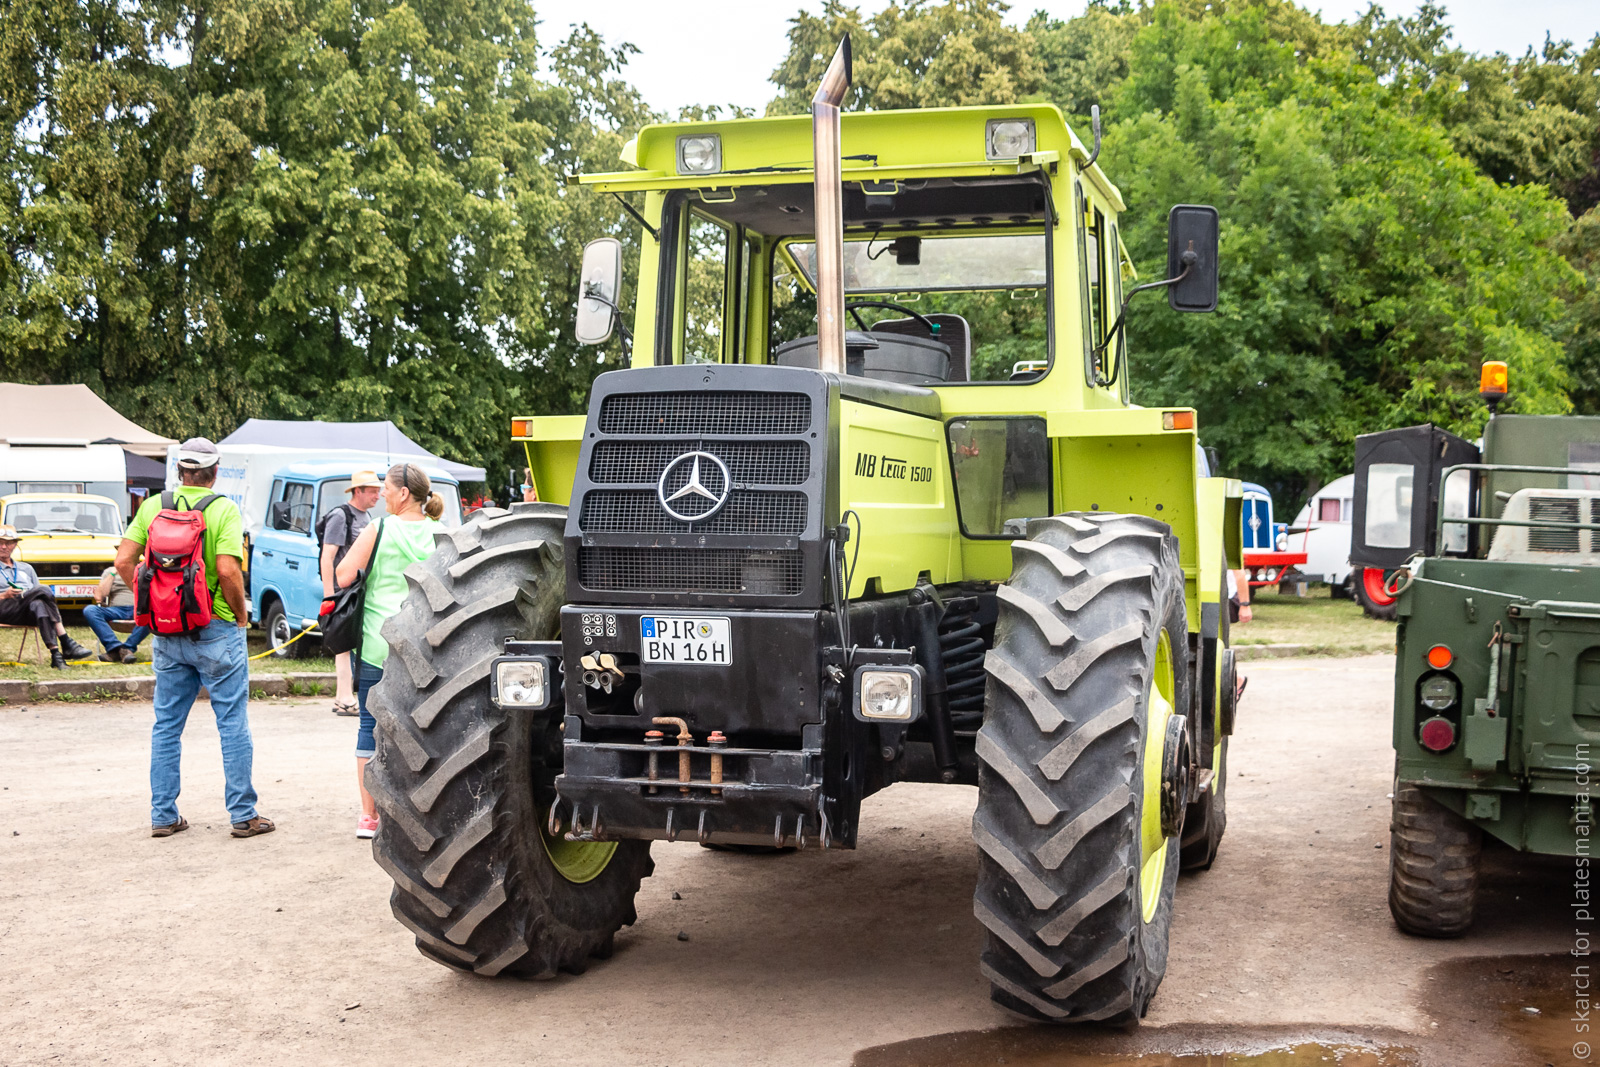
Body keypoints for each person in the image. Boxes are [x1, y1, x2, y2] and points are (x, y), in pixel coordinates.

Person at [116, 437, 274, 840]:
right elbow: (227, 571)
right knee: (232, 723)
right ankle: (243, 815)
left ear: (179, 472)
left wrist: (150, 603)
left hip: (167, 631)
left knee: (166, 725)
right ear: (215, 472)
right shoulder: (223, 509)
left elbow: (123, 561)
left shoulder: (153, 506)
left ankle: (163, 815)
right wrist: (240, 616)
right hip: (215, 628)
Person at [335, 463, 445, 839]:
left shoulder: (379, 528)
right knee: (422, 729)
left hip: (378, 644)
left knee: (370, 728)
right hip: (427, 648)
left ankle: (369, 817)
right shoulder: (442, 533)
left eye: (386, 488)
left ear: (402, 494)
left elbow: (343, 575)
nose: (381, 493)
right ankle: (419, 808)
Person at [319, 470, 381, 716]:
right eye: (373, 490)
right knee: (344, 644)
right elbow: (328, 557)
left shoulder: (367, 516)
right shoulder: (340, 516)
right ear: (358, 491)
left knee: (350, 643)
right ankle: (345, 698)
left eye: (379, 490)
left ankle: (342, 697)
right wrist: (328, 596)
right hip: (341, 592)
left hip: (357, 590)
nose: (378, 495)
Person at [0, 526, 96, 669]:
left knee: (39, 604)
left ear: (15, 545)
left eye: (8, 543)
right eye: (0, 542)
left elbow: (39, 595)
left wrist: (26, 594)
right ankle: (65, 641)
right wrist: (4, 594)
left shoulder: (26, 568)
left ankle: (56, 655)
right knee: (43, 589)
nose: (3, 547)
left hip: (25, 609)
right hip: (5, 608)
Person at [84, 565, 150, 663]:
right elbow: (99, 597)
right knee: (90, 610)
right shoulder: (110, 571)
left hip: (139, 610)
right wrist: (112, 574)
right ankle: (115, 648)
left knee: (154, 612)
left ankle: (125, 649)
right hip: (116, 610)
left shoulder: (145, 569)